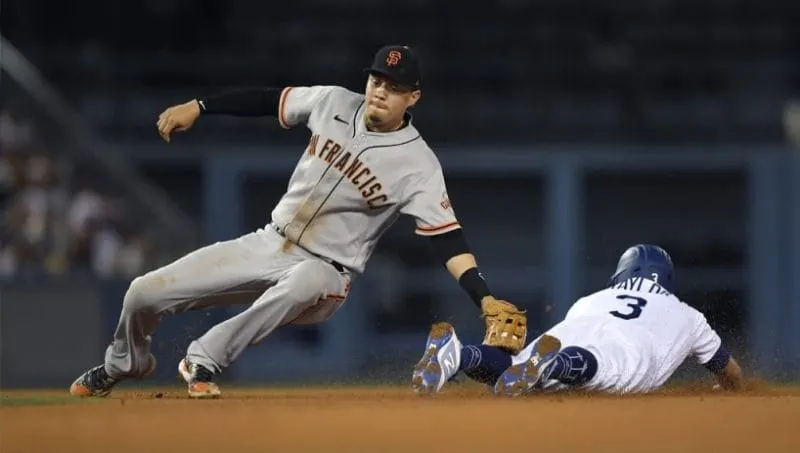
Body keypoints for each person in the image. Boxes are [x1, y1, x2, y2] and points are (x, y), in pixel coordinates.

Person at [69, 45, 526, 399]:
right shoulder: (333, 101)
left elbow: (446, 238)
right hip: (270, 242)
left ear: (413, 97)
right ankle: (124, 362)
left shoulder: (419, 164)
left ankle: (204, 358)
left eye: (393, 86)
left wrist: (482, 296)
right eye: (376, 79)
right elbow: (270, 100)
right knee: (142, 292)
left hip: (328, 273)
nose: (379, 90)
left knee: (306, 279)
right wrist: (201, 106)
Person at [411, 244, 745, 396]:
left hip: (574, 330)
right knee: (605, 368)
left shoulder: (593, 298)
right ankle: (551, 364)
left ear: (622, 273)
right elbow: (728, 370)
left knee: (517, 367)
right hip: (628, 347)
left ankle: (460, 355)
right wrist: (731, 387)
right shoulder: (689, 315)